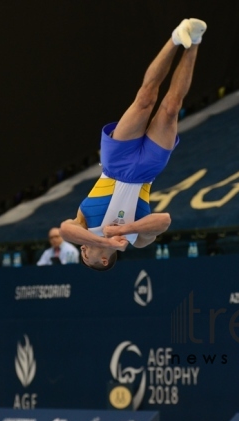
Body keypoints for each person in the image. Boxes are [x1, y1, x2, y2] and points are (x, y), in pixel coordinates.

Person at [60, 18, 207, 271]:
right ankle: (194, 41)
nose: (83, 251)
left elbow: (65, 230)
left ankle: (175, 38)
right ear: (104, 260)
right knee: (171, 108)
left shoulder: (83, 227)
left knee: (145, 99)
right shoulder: (135, 240)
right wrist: (126, 230)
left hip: (116, 162)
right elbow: (164, 220)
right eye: (87, 257)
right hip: (148, 171)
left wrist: (102, 238)